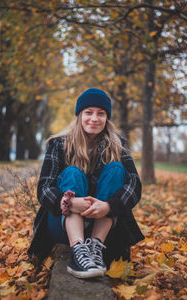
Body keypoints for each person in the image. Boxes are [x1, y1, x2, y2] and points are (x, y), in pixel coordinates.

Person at [28, 88, 144, 279]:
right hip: (63, 224)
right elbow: (44, 189)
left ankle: (95, 248)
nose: (94, 118)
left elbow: (134, 186)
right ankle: (78, 253)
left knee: (116, 169)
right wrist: (70, 202)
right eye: (88, 112)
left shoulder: (118, 144)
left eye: (101, 113)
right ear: (79, 115)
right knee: (73, 172)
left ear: (107, 118)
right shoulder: (59, 144)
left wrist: (108, 206)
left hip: (105, 225)